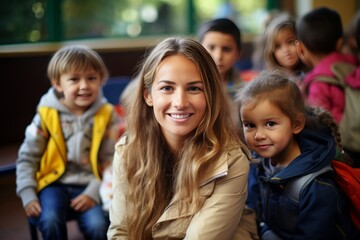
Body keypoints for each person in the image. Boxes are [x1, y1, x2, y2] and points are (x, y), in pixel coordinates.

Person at [107, 37, 255, 240]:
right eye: (167, 88)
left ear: (210, 95)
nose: (180, 102)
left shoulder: (232, 160)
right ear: (148, 96)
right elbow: (121, 232)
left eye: (194, 88)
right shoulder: (127, 150)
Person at [237, 70, 360, 239]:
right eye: (250, 125)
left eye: (270, 124)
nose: (258, 135)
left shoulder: (316, 185)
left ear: (296, 124)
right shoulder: (259, 162)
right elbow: (253, 204)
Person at [16, 45, 119, 240]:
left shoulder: (107, 114)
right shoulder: (46, 115)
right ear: (58, 84)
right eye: (74, 79)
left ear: (101, 80)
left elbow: (110, 159)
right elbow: (27, 156)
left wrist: (93, 191)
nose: (84, 86)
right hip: (52, 183)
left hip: (91, 182)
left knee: (99, 226)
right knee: (50, 220)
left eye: (91, 78)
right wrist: (27, 192)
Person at [295, 7, 358, 122]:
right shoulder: (354, 65)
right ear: (339, 43)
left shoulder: (318, 83)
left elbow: (320, 126)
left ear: (300, 48)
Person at [197, 18, 243, 99]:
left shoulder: (244, 93)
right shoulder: (188, 84)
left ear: (238, 53)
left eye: (226, 49)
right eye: (211, 47)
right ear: (199, 49)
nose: (218, 56)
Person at [263, 13, 307, 86]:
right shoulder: (271, 83)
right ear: (272, 52)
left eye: (290, 42)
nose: (286, 50)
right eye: (278, 46)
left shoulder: (310, 73)